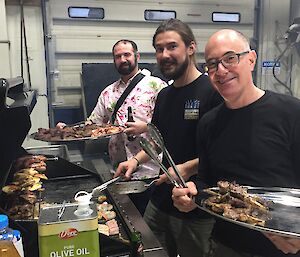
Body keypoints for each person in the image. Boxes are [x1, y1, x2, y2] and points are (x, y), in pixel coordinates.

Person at [172, 28, 300, 257]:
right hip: (225, 246)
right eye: (212, 64)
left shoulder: (292, 113)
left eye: (230, 58)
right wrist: (192, 196)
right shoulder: (208, 123)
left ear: (251, 59)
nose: (221, 70)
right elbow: (206, 182)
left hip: (284, 249)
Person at [115, 19, 222, 257]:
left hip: (197, 203)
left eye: (172, 46)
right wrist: (135, 161)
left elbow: (223, 154)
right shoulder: (164, 95)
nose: (164, 55)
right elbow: (157, 139)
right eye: (159, 49)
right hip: (162, 196)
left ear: (191, 48)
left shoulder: (212, 93)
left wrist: (187, 168)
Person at [58, 39, 167, 214]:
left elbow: (168, 124)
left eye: (127, 54)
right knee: (129, 217)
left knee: (150, 223)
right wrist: (67, 130)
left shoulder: (156, 86)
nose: (123, 59)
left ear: (137, 56)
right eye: (118, 56)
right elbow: (92, 125)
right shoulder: (108, 93)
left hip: (151, 171)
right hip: (120, 171)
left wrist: (145, 127)